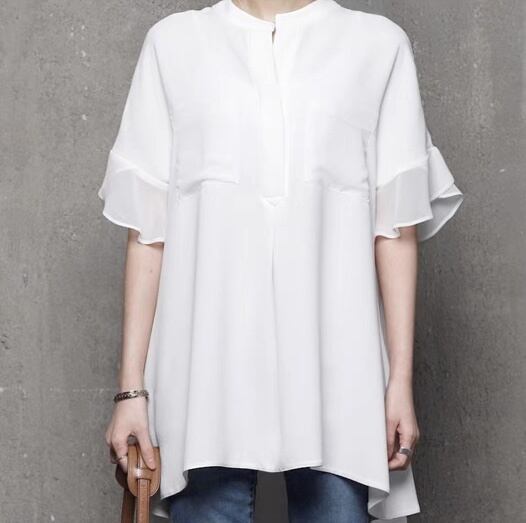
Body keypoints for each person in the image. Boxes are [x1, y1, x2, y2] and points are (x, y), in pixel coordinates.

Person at [98, 0, 464, 521]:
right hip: (204, 374)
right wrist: (131, 391)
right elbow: (147, 234)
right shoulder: (173, 45)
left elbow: (396, 229)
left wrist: (398, 382)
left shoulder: (377, 46)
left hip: (339, 376)